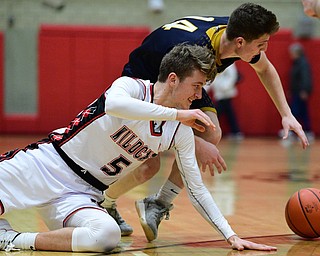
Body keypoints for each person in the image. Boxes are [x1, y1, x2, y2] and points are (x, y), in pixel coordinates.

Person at [102, 2, 309, 240]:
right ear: (240, 42)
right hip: (149, 80)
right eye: (261, 45)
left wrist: (286, 114)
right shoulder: (197, 49)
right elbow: (173, 105)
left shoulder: (234, 33)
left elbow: (265, 69)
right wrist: (194, 144)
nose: (264, 50)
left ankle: (158, 204)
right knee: (150, 167)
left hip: (182, 76)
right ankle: (105, 202)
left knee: (210, 132)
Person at [207, 63, 244, 140]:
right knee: (229, 112)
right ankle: (236, 132)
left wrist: (224, 87)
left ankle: (211, 131)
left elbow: (233, 75)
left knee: (217, 112)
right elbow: (212, 78)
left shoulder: (229, 62)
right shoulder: (213, 63)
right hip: (219, 92)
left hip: (226, 92)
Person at [288, 42, 314, 141]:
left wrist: (305, 90)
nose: (290, 54)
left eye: (292, 52)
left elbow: (306, 78)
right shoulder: (297, 62)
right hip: (296, 91)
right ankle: (307, 131)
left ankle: (292, 131)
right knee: (303, 112)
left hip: (300, 92)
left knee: (295, 111)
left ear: (297, 52)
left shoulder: (302, 63)